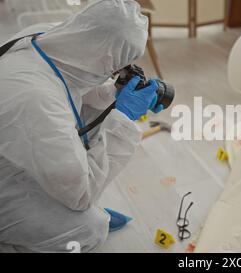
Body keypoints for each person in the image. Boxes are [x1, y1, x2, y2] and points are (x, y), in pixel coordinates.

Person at [0, 0, 161, 252]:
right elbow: (81, 195)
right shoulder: (35, 98)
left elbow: (71, 87)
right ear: (102, 55)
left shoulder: (51, 36)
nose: (117, 72)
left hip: (12, 146)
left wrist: (112, 93)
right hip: (6, 175)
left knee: (91, 126)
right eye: (116, 66)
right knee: (88, 226)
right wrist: (125, 116)